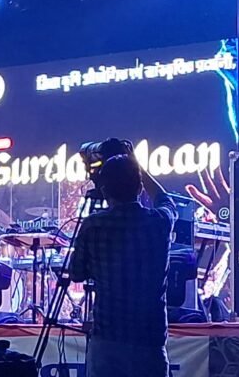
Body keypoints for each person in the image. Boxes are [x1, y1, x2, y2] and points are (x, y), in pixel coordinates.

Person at [69, 154, 176, 377]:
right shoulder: (159, 222)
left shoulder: (93, 224)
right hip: (150, 339)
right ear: (139, 188)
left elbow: (76, 273)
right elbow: (166, 201)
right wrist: (138, 166)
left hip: (107, 338)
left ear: (104, 190)